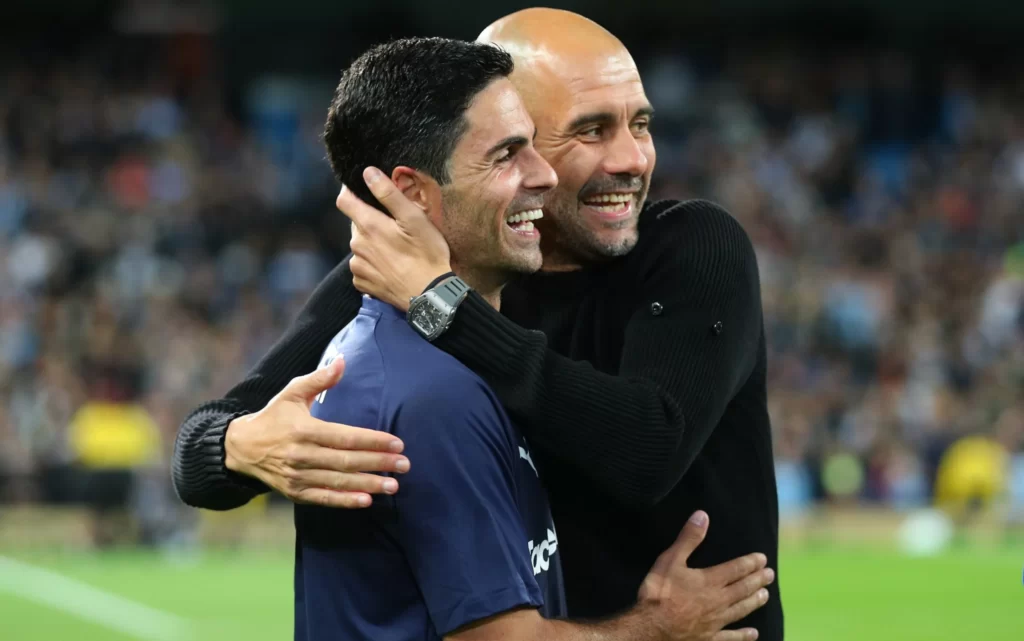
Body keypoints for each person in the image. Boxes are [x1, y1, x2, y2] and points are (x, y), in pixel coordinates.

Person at [172, 8, 782, 640]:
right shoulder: (404, 274)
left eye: (641, 123)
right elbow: (199, 449)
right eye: (591, 130)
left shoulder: (694, 248)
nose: (631, 158)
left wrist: (443, 304)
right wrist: (239, 448)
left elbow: (647, 452)